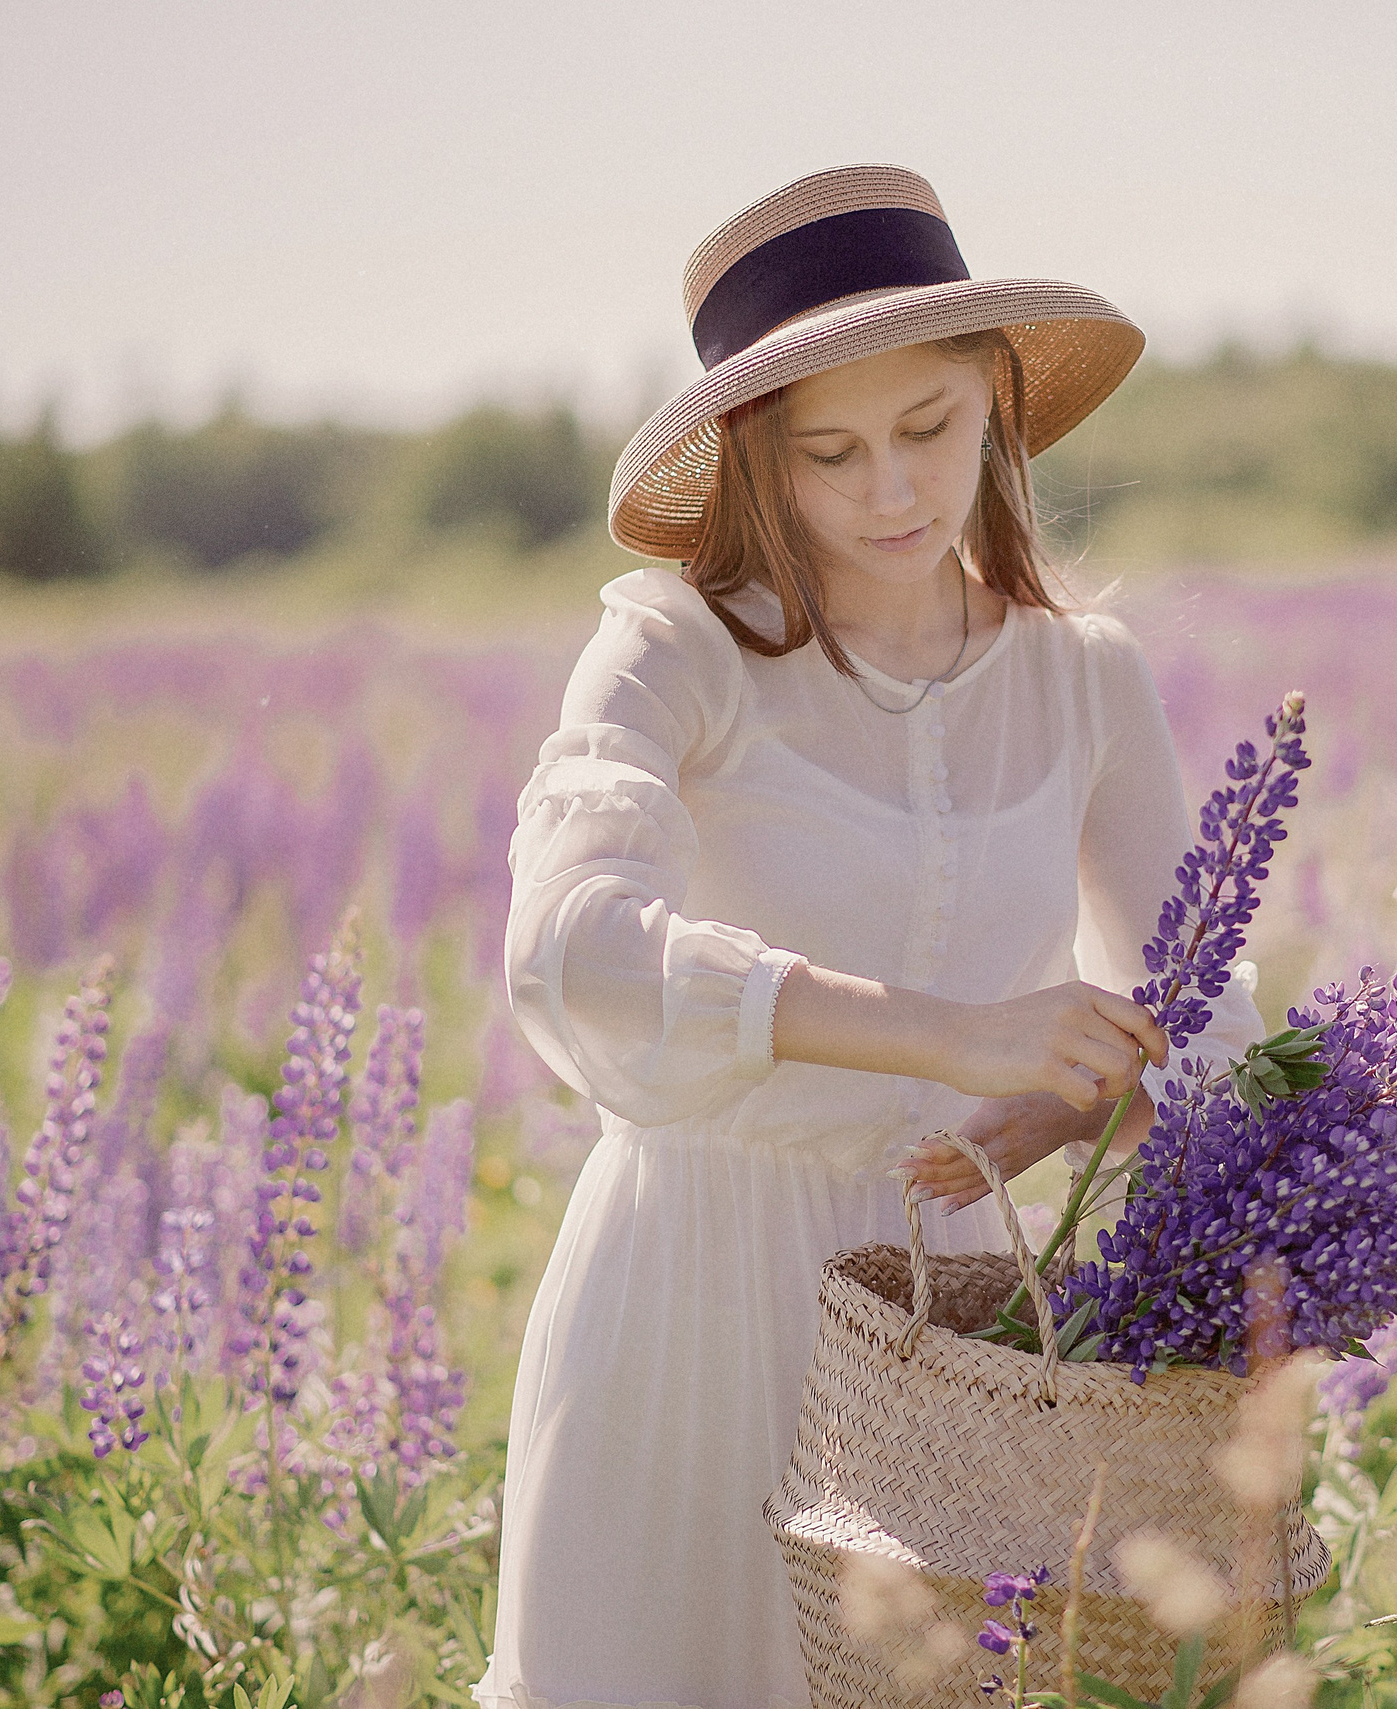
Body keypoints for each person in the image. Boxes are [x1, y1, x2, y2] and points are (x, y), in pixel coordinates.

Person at [476, 164, 1264, 1709]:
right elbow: (569, 944)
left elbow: (1212, 988)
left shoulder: (1084, 678)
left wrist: (1094, 1088)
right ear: (759, 457)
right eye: (832, 453)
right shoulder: (672, 648)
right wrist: (950, 1029)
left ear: (998, 402)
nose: (893, 491)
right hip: (686, 1289)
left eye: (931, 432)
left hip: (947, 1307)